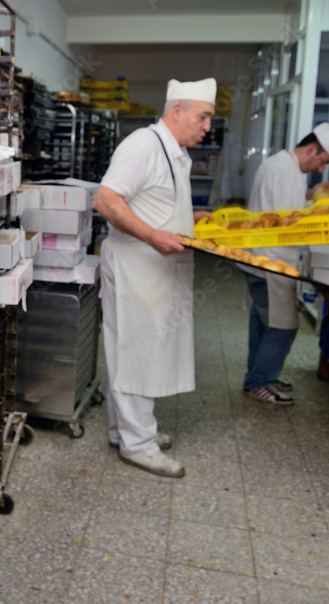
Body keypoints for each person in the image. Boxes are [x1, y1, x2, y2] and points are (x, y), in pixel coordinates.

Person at [93, 78, 216, 478]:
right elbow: (106, 200)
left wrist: (188, 219)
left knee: (141, 351)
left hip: (155, 272)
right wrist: (152, 236)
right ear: (177, 110)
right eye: (203, 116)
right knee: (135, 353)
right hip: (137, 268)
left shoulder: (174, 151)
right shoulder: (144, 145)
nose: (207, 126)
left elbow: (151, 203)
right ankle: (138, 445)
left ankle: (127, 431)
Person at [242, 122, 329, 404]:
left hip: (259, 258)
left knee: (263, 324)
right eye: (322, 161)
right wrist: (324, 228)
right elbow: (291, 224)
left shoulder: (278, 164)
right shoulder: (288, 173)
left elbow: (280, 209)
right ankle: (259, 382)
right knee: (283, 327)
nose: (321, 169)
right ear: (311, 149)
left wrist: (310, 195)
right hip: (272, 262)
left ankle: (259, 375)